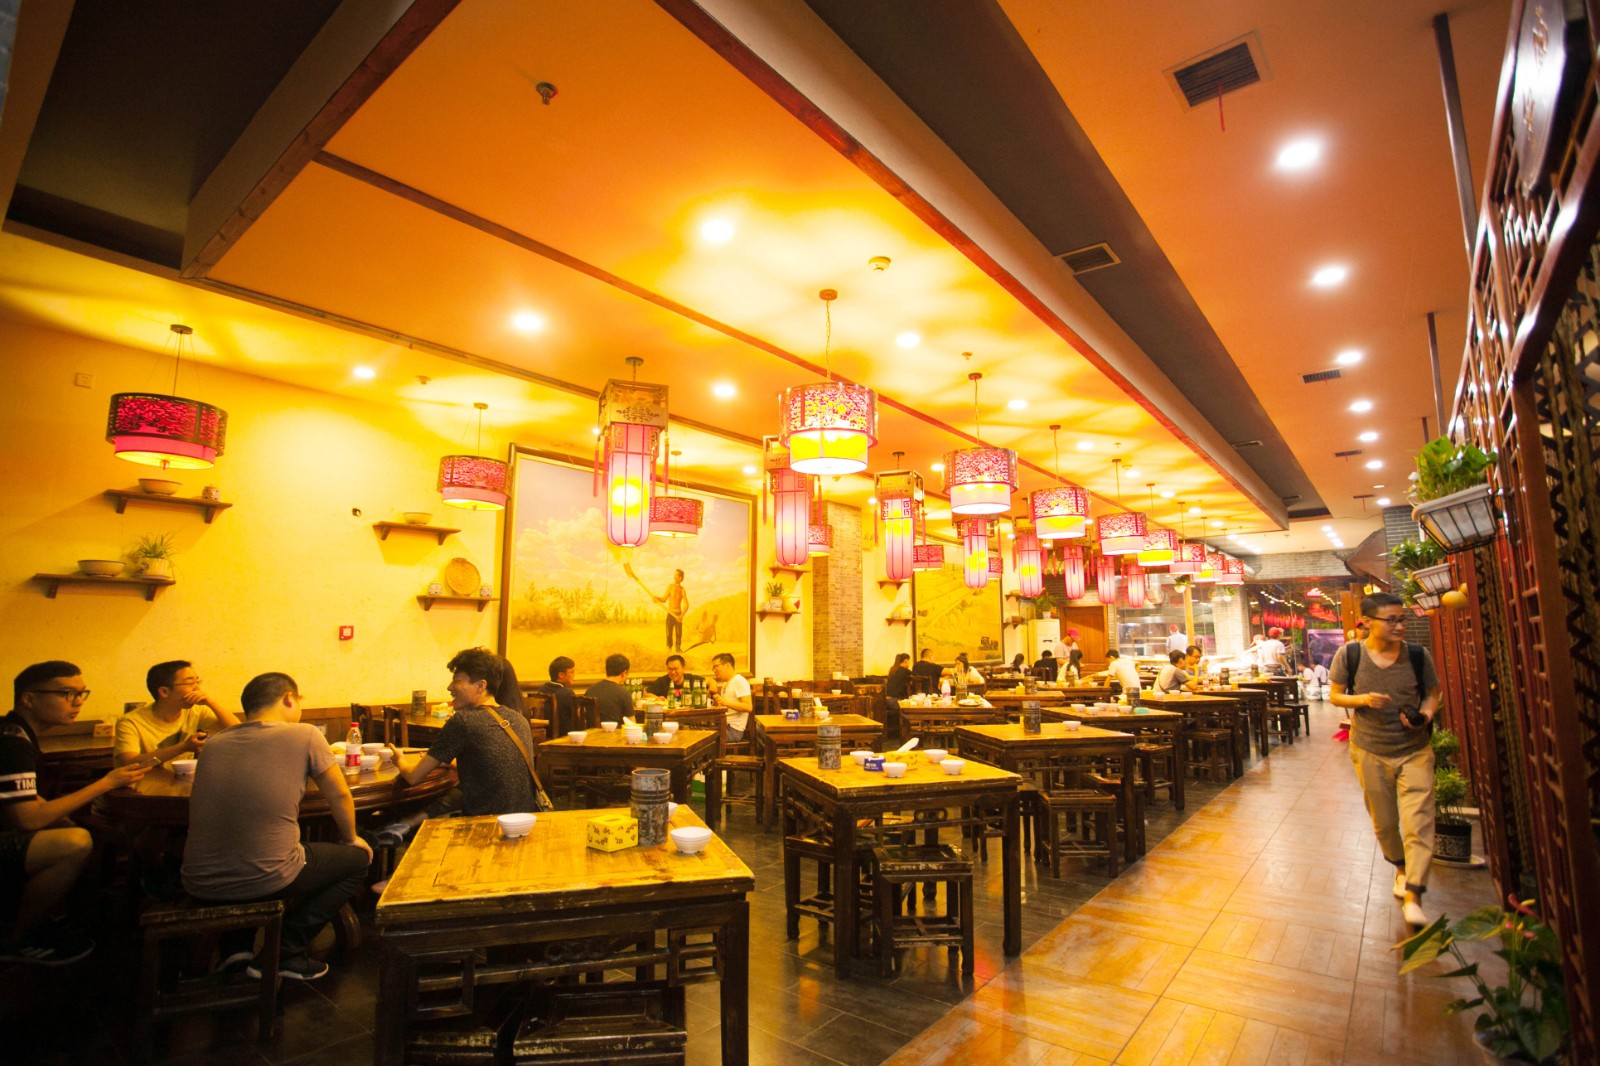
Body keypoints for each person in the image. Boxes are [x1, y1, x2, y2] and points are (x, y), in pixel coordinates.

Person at [181, 672, 370, 981]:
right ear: (288, 698)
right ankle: (285, 952)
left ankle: (236, 952)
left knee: (256, 850)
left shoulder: (215, 743)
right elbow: (339, 794)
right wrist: (351, 838)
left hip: (198, 880)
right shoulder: (305, 734)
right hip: (268, 877)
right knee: (357, 861)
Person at [1, 661, 148, 965]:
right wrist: (107, 782)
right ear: (29, 699)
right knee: (75, 843)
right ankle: (17, 939)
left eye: (82, 694)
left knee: (71, 828)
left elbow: (25, 798)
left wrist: (61, 819)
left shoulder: (16, 732)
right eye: (67, 694)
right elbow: (27, 818)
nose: (78, 702)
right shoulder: (12, 743)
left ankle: (44, 919)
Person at [1329, 592, 1441, 928]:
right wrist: (1362, 699)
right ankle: (1401, 869)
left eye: (1402, 619)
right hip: (1369, 749)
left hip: (1414, 749)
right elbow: (1335, 695)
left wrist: (1424, 716)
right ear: (1367, 623)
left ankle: (1414, 894)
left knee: (1419, 819)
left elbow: (1432, 694)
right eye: (1391, 620)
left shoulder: (1418, 655)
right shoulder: (1350, 654)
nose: (1399, 626)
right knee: (1385, 822)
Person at [114, 660, 240, 767]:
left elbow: (239, 731)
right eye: (190, 683)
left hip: (180, 782)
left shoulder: (196, 711)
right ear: (164, 692)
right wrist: (183, 747)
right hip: (141, 786)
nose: (197, 689)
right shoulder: (130, 722)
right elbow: (128, 762)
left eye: (197, 682)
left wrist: (211, 702)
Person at [709, 653, 752, 742]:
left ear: (727, 666)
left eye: (716, 666)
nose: (714, 670)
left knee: (702, 738)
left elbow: (748, 707)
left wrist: (724, 702)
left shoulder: (739, 681)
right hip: (723, 726)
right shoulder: (726, 684)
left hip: (733, 730)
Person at [584, 655, 633, 725]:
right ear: (624, 673)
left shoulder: (590, 690)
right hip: (614, 731)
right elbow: (631, 723)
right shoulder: (623, 693)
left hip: (590, 731)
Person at [651, 569, 690, 653]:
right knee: (669, 633)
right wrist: (657, 598)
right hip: (670, 614)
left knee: (678, 634)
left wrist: (681, 616)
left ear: (680, 578)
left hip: (678, 614)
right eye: (674, 575)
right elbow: (664, 599)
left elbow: (686, 605)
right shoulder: (670, 587)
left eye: (676, 576)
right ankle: (669, 648)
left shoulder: (682, 590)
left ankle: (678, 649)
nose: (674, 577)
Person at [539, 656, 577, 733]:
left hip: (544, 733)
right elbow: (576, 717)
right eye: (572, 672)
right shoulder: (567, 693)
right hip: (564, 734)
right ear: (561, 675)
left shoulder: (541, 689)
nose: (574, 675)